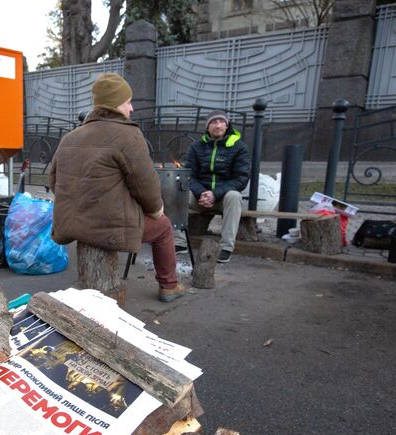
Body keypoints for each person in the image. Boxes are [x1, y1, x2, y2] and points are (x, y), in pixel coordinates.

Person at [49, 73, 185, 303]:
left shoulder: (70, 137)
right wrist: (156, 210)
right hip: (107, 230)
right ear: (114, 105)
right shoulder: (127, 134)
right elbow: (145, 184)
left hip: (70, 225)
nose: (131, 108)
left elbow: (54, 181)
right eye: (127, 102)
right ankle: (169, 286)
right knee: (163, 226)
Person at [186, 110, 250, 264]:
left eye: (222, 122)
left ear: (227, 126)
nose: (218, 125)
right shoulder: (196, 147)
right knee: (179, 193)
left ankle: (226, 247)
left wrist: (215, 194)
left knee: (234, 196)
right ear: (207, 127)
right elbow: (188, 176)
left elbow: (241, 178)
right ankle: (179, 242)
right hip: (200, 198)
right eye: (214, 122)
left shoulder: (239, 147)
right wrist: (202, 193)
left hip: (223, 198)